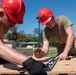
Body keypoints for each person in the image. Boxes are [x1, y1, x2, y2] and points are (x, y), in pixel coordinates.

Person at [0, 0, 47, 75]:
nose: (13, 25)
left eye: (16, 22)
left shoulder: (3, 25)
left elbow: (1, 45)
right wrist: (29, 63)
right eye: (11, 21)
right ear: (1, 14)